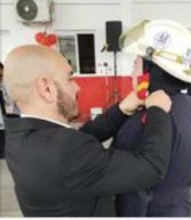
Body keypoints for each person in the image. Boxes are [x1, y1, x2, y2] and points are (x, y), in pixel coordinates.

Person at [3, 44, 173, 217]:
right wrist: (158, 111)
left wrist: (121, 109)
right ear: (47, 88)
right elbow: (151, 167)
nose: (77, 87)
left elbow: (81, 137)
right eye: (69, 78)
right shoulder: (67, 150)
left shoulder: (19, 137)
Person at [113, 19, 191, 217]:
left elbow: (133, 197)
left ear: (152, 69)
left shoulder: (142, 122)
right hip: (180, 208)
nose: (132, 71)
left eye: (136, 63)